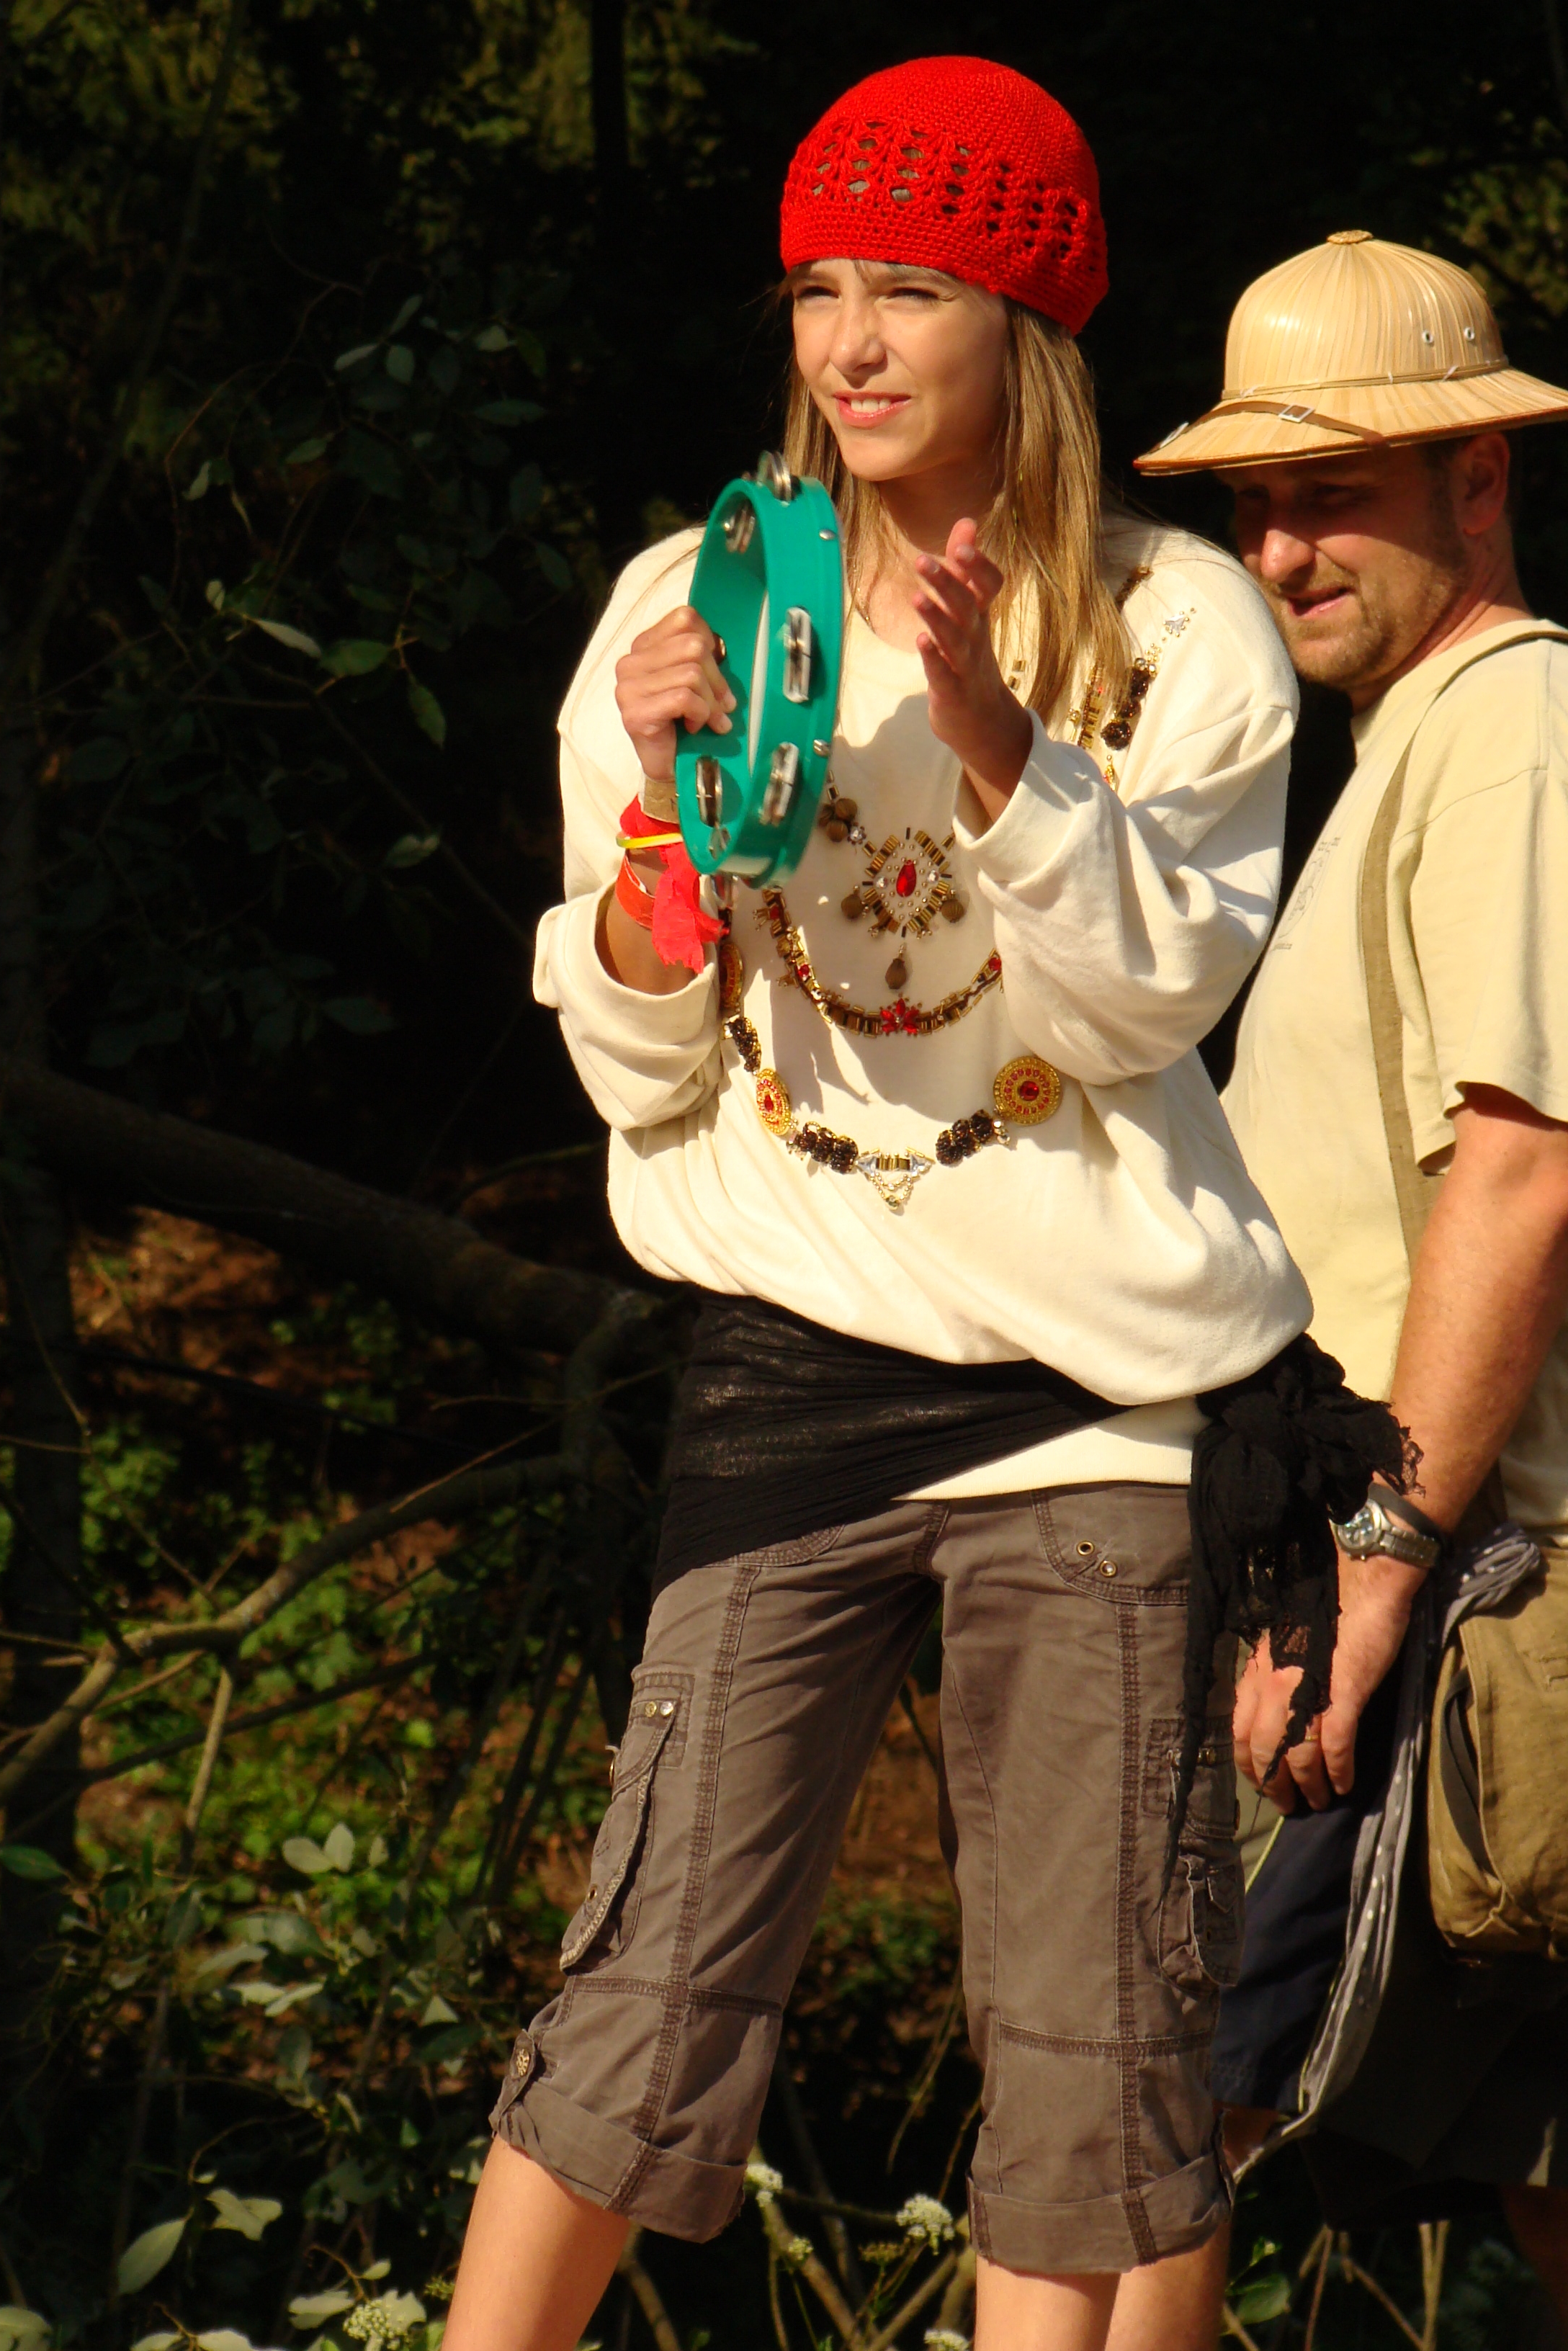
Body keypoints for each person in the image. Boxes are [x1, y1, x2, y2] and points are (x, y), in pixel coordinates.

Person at [443, 66, 1401, 2351]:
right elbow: (641, 1057)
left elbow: (1157, 999)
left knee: (1090, 2046)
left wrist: (996, 742)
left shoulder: (1175, 626)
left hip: (1089, 1410)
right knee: (645, 1995)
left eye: (913, 290)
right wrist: (670, 817)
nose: (852, 342)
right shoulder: (688, 606)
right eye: (819, 291)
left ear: (1025, 326)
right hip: (788, 1368)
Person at [1114, 230, 1568, 2350]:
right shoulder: (1416, 742)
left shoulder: (1514, 714)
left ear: (1480, 476)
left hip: (1451, 1585)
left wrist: (1370, 1576)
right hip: (1446, 1566)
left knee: (1161, 2123)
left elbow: (1524, 1164)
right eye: (1255, 503)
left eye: (1339, 494)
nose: (1281, 548)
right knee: (1543, 2174)